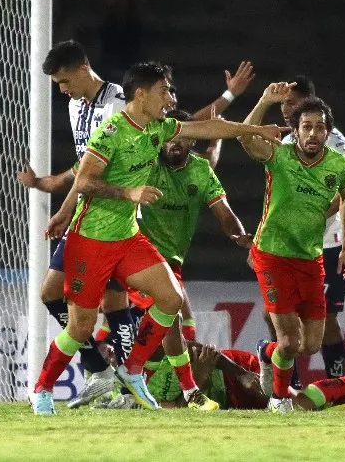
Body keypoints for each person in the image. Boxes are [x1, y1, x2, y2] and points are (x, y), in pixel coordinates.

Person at [30, 61, 284, 415]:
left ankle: (133, 370)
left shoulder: (159, 129)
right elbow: (84, 182)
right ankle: (42, 389)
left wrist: (254, 128)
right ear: (141, 94)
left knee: (171, 297)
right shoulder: (111, 132)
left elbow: (207, 124)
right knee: (81, 325)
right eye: (163, 91)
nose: (169, 98)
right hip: (91, 239)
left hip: (128, 239)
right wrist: (128, 192)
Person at [83, 108, 255, 409]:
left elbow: (226, 215)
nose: (173, 144)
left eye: (182, 138)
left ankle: (128, 396)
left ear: (191, 141)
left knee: (172, 338)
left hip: (171, 267)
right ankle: (188, 393)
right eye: (169, 138)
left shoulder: (201, 171)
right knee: (167, 326)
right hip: (136, 261)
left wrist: (240, 237)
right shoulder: (146, 164)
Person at [16, 40, 129, 408]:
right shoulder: (75, 104)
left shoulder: (117, 104)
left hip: (113, 218)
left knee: (113, 305)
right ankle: (99, 367)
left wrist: (64, 209)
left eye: (65, 81)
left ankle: (125, 388)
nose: (62, 90)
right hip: (85, 214)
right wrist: (57, 196)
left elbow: (102, 171)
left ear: (83, 69)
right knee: (50, 292)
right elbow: (84, 167)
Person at [238, 84, 345, 412]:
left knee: (311, 344)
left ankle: (265, 352)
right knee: (290, 342)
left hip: (310, 258)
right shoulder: (279, 154)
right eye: (306, 127)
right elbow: (246, 139)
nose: (313, 133)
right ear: (296, 130)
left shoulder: (337, 165)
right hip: (272, 254)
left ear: (328, 132)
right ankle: (279, 398)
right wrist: (263, 101)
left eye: (320, 128)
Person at [280, 76, 345, 382]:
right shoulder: (288, 142)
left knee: (326, 323)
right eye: (282, 104)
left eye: (290, 103)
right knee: (279, 318)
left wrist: (319, 213)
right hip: (291, 246)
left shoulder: (332, 139)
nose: (284, 108)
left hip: (327, 245)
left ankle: (335, 389)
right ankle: (290, 385)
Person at [147, 343, 345, 412]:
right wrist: (201, 376)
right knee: (304, 408)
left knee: (298, 404)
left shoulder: (157, 349)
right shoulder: (145, 398)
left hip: (232, 375)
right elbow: (186, 411)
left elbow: (206, 352)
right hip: (226, 400)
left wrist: (242, 374)